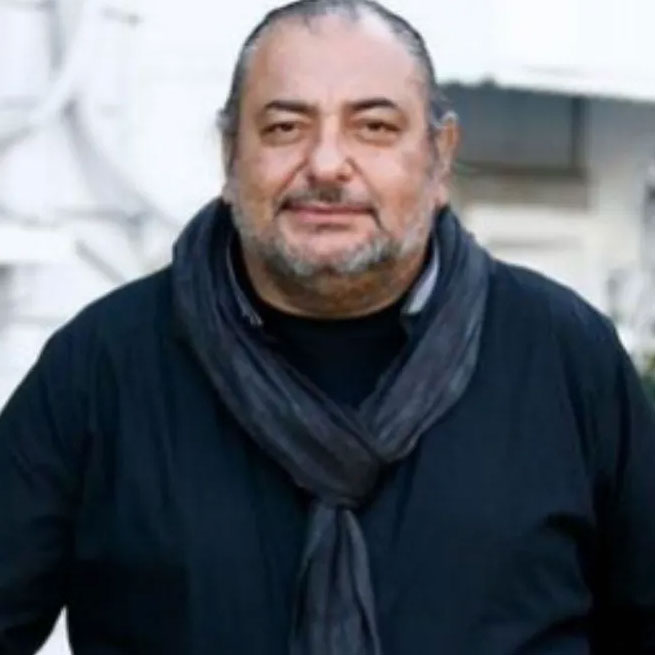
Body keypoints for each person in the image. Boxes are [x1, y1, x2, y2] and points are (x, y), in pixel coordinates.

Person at [1, 0, 654, 653]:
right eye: (285, 127)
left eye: (374, 127)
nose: (325, 163)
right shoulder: (104, 367)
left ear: (439, 158)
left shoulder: (564, 357)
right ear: (230, 156)